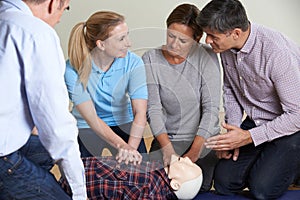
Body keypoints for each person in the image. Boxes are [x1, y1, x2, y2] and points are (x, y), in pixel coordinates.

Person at [197, 0, 300, 199]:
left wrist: (248, 137)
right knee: (224, 184)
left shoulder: (277, 53)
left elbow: (297, 115)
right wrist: (233, 132)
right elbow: (230, 89)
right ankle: (270, 158)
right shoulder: (226, 48)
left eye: (212, 36)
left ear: (235, 32)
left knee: (262, 190)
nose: (207, 41)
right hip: (257, 121)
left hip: (292, 125)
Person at [0, 0, 87, 199]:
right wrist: (79, 193)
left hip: (10, 138)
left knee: (43, 151)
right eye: (64, 10)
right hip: (3, 156)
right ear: (53, 3)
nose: (59, 20)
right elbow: (58, 128)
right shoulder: (35, 32)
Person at [142, 3, 221, 192]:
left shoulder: (206, 55)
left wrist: (193, 154)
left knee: (195, 189)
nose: (174, 45)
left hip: (203, 140)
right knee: (156, 187)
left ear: (197, 38)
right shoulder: (150, 58)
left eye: (183, 41)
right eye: (171, 36)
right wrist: (167, 149)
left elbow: (211, 108)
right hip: (167, 139)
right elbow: (153, 108)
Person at [64, 11, 148, 164]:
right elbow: (91, 118)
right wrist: (121, 145)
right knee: (82, 173)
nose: (129, 43)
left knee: (140, 170)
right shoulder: (72, 69)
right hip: (87, 125)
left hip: (123, 121)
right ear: (101, 44)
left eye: (127, 35)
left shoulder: (134, 63)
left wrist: (131, 148)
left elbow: (140, 112)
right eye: (121, 39)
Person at [60, 154, 203, 200]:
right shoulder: (158, 170)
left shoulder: (150, 192)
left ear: (175, 184)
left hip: (74, 184)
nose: (185, 158)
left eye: (187, 166)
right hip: (77, 167)